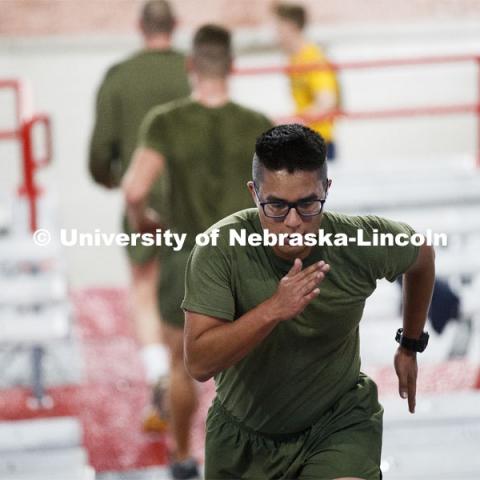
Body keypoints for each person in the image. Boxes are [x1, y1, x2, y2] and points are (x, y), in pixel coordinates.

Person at [182, 124, 435, 479]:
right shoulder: (219, 250)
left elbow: (422, 256)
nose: (293, 222)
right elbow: (198, 363)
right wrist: (272, 310)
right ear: (255, 194)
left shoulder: (358, 241)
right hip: (244, 438)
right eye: (276, 206)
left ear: (326, 190)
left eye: (308, 204)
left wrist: (410, 343)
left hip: (338, 423)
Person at [122, 24, 273, 479]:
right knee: (251, 368)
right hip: (244, 257)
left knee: (179, 365)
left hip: (183, 256)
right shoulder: (257, 124)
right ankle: (253, 461)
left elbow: (133, 190)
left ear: (191, 67)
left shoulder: (165, 121)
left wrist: (144, 226)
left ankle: (184, 457)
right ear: (232, 66)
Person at [88, 0, 190, 430]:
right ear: (176, 25)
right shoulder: (194, 71)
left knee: (146, 292)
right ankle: (187, 377)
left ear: (139, 27)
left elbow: (98, 156)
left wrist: (116, 179)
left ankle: (159, 376)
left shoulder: (119, 77)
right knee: (194, 293)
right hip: (194, 206)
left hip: (142, 204)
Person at [274, 2, 339, 160]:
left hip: (319, 143)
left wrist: (292, 122)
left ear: (289, 27)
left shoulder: (313, 58)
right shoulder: (294, 60)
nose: (275, 34)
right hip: (306, 142)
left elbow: (327, 101)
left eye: (278, 28)